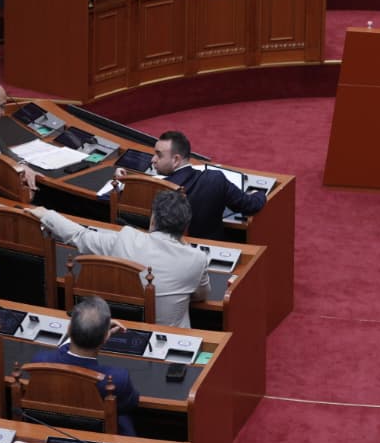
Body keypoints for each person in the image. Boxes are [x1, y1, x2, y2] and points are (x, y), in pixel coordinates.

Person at [28, 190, 209, 328]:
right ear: (185, 227)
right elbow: (201, 295)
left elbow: (80, 236)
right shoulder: (197, 259)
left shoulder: (125, 239)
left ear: (153, 220)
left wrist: (47, 215)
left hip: (117, 329)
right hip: (167, 338)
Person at [32, 296, 141, 435]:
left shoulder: (40, 362)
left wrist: (94, 327)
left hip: (52, 432)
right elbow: (131, 403)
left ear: (69, 330)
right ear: (105, 338)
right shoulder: (117, 379)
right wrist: (100, 329)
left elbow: (61, 354)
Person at [129, 130, 265, 240]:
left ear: (176, 160)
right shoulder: (215, 179)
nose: (153, 160)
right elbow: (250, 206)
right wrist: (259, 193)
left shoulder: (157, 188)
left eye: (159, 155)